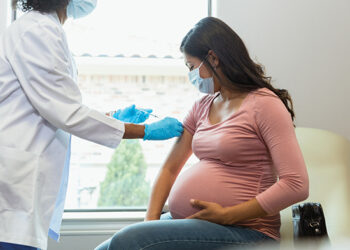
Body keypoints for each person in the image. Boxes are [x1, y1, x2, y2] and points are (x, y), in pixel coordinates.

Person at [95, 17, 309, 250]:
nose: (191, 75)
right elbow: (170, 169)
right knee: (106, 248)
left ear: (213, 58)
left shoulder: (264, 105)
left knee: (128, 241)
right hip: (197, 224)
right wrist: (150, 223)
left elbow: (296, 184)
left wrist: (228, 215)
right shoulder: (202, 106)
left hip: (246, 231)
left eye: (191, 66)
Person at [0, 0, 183, 249]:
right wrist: (145, 131)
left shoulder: (45, 29)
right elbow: (66, 112)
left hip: (23, 179)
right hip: (15, 188)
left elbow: (59, 105)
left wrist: (113, 118)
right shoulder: (36, 31)